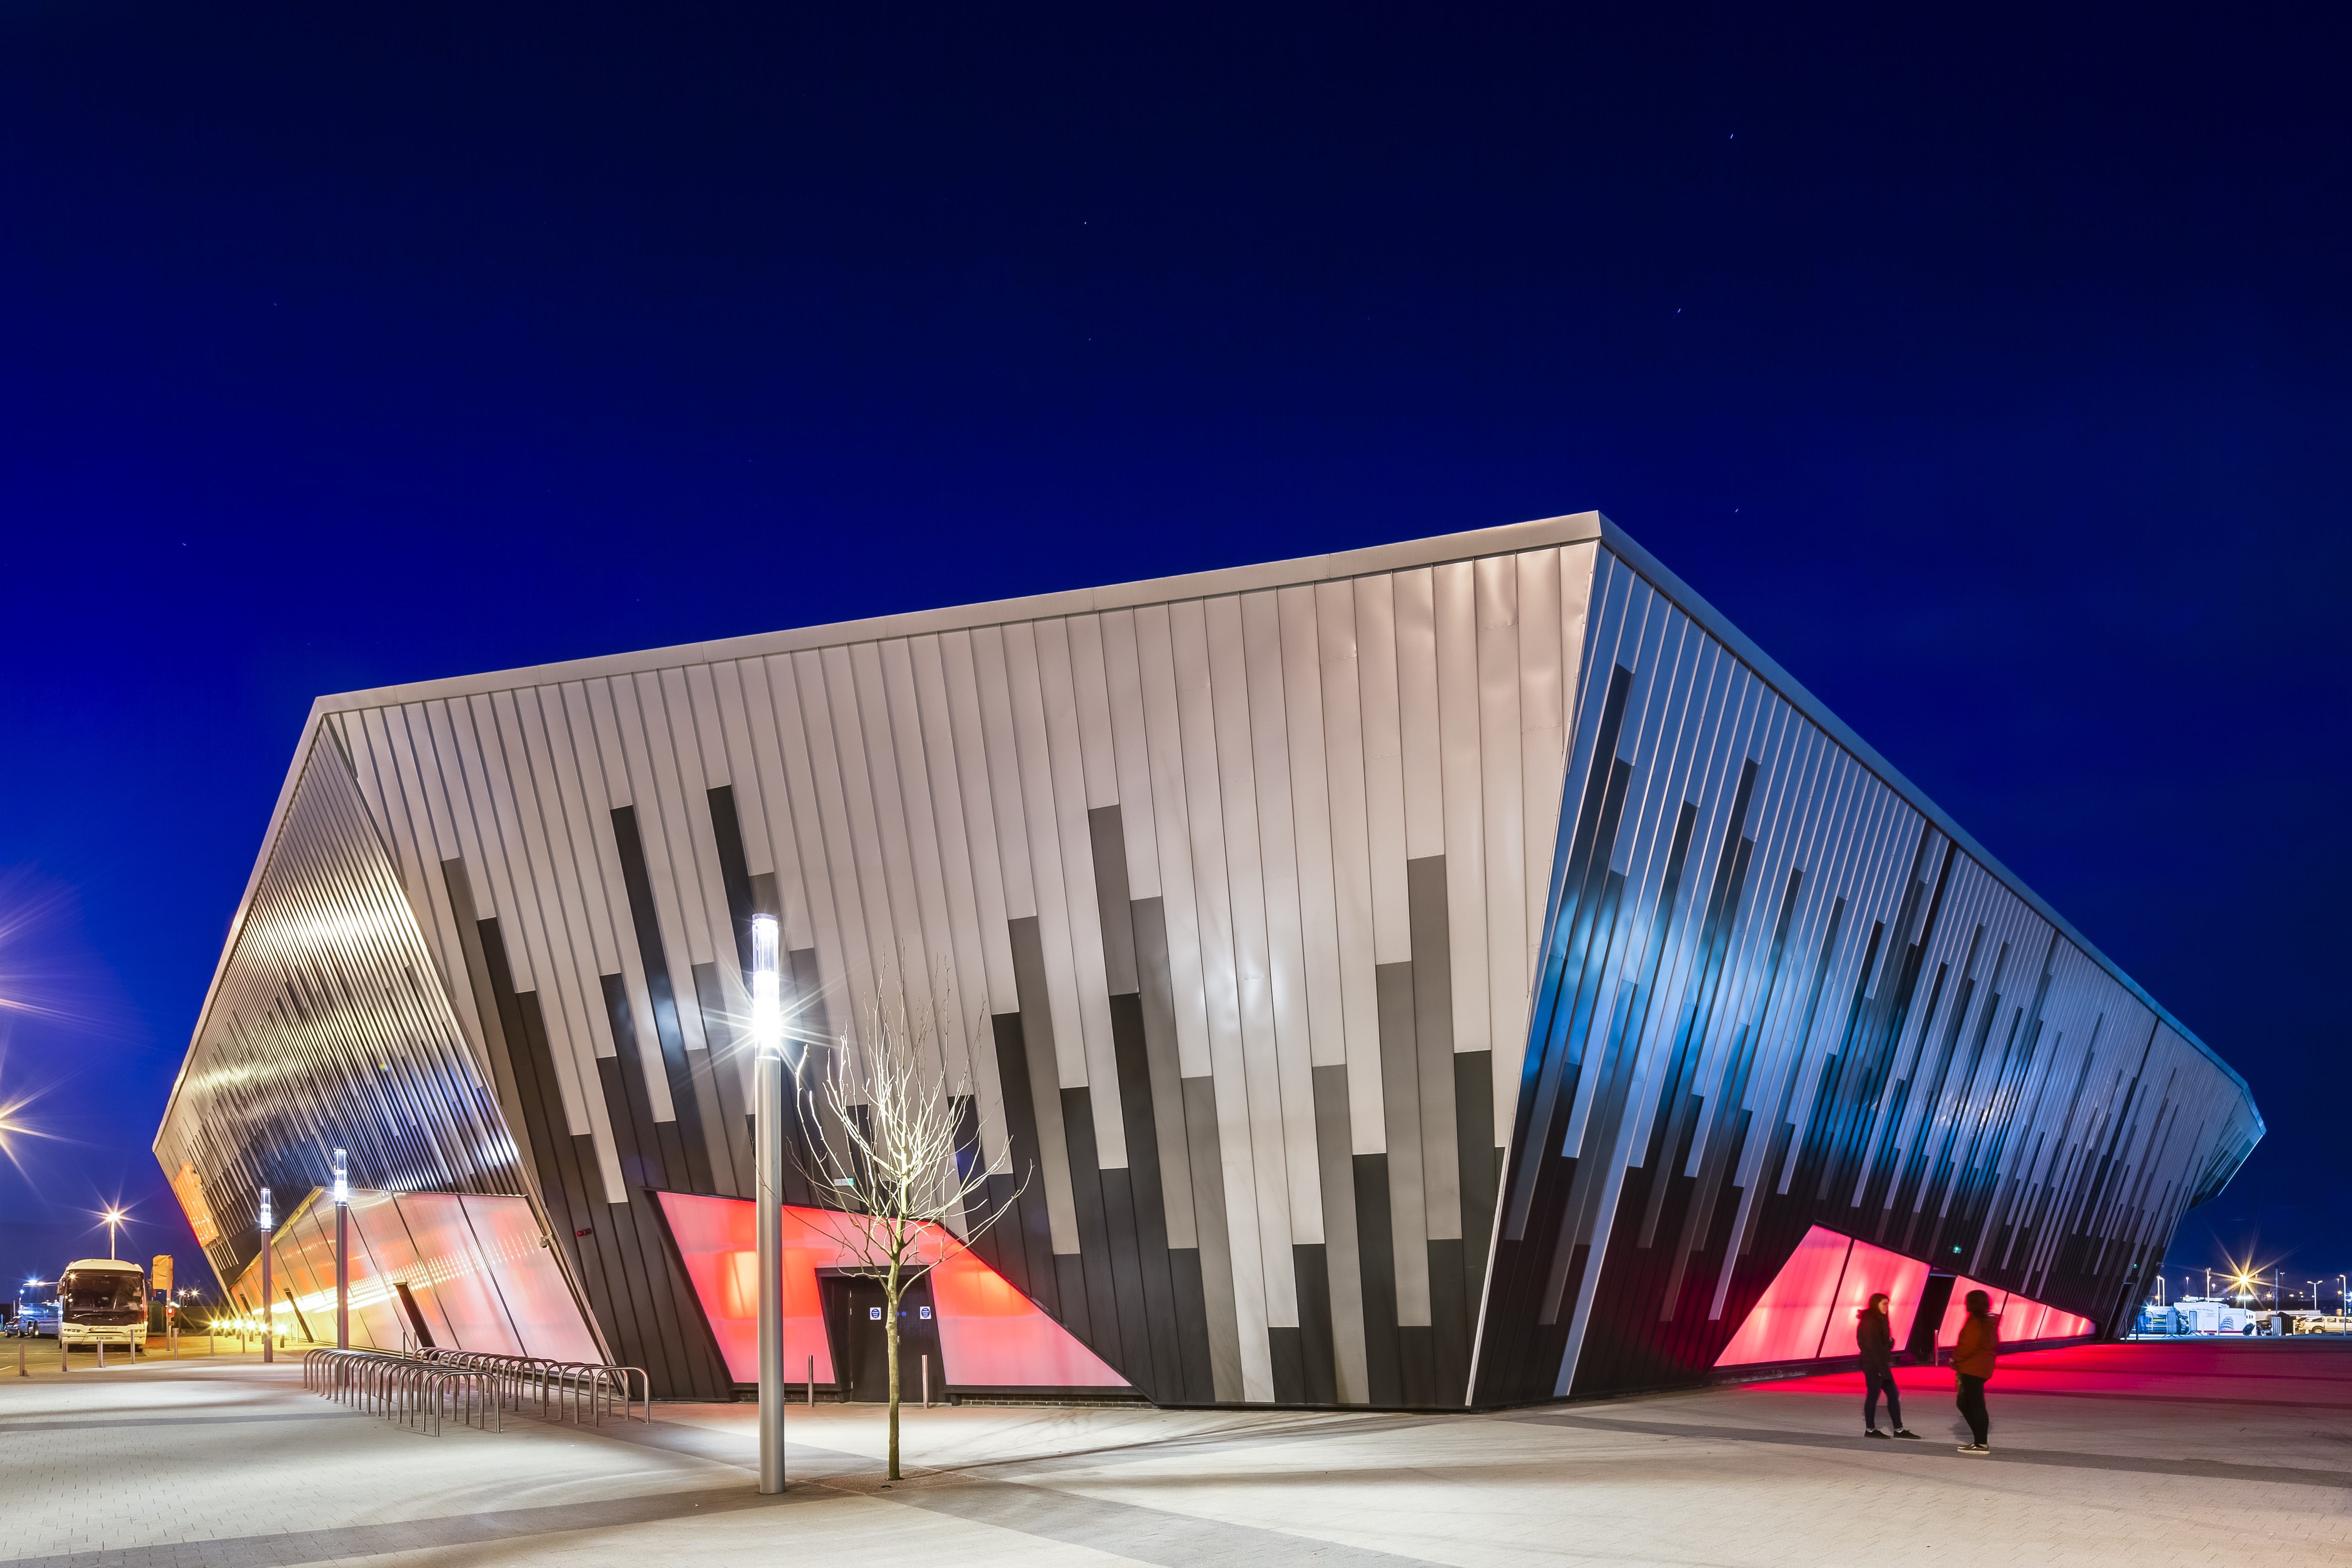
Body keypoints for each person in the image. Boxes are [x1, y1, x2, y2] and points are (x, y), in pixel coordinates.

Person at [1856, 1292, 1919, 1439]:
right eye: (1884, 1304)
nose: (1886, 1307)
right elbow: (1874, 1348)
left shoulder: (1880, 1319)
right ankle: (1870, 1430)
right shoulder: (1870, 1321)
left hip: (1880, 1363)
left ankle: (1899, 1430)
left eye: (1887, 1304)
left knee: (1893, 1394)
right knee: (1874, 1395)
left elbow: (1885, 1343)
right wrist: (1882, 1370)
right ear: (1875, 1304)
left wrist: (1890, 1343)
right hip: (1873, 1364)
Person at [1953, 1288, 1999, 1454]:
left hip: (1972, 1368)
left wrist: (1954, 1359)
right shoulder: (1989, 1322)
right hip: (1981, 1368)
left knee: (1975, 1404)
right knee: (1965, 1402)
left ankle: (1981, 1444)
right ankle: (1979, 1441)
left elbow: (1967, 1346)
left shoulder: (1976, 1323)